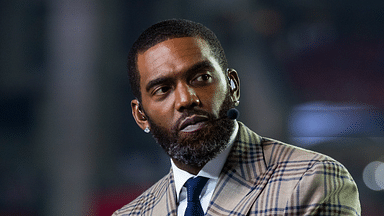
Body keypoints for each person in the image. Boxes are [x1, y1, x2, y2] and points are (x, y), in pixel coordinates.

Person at [113, 19, 361, 216]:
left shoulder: (313, 182)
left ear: (233, 87)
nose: (186, 100)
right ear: (141, 116)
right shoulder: (132, 213)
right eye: (163, 90)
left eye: (201, 78)